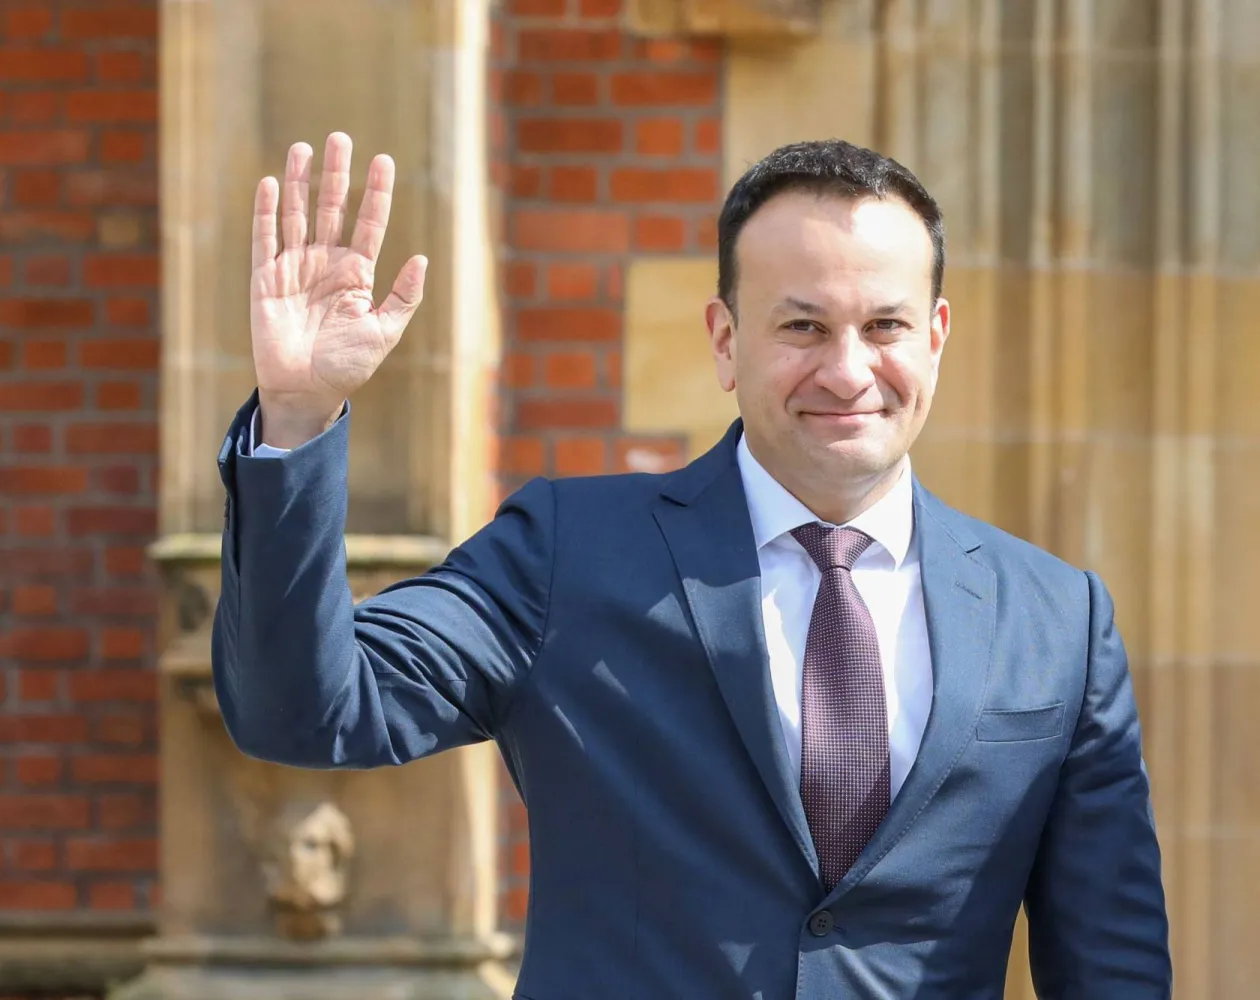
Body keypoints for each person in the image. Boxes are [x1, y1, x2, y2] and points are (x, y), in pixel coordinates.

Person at [210, 132, 1172, 998]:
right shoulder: (567, 552)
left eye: (885, 325)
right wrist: (296, 419)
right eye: (802, 326)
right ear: (725, 340)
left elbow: (1112, 965)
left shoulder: (1057, 619)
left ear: (936, 337)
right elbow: (304, 709)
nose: (848, 371)